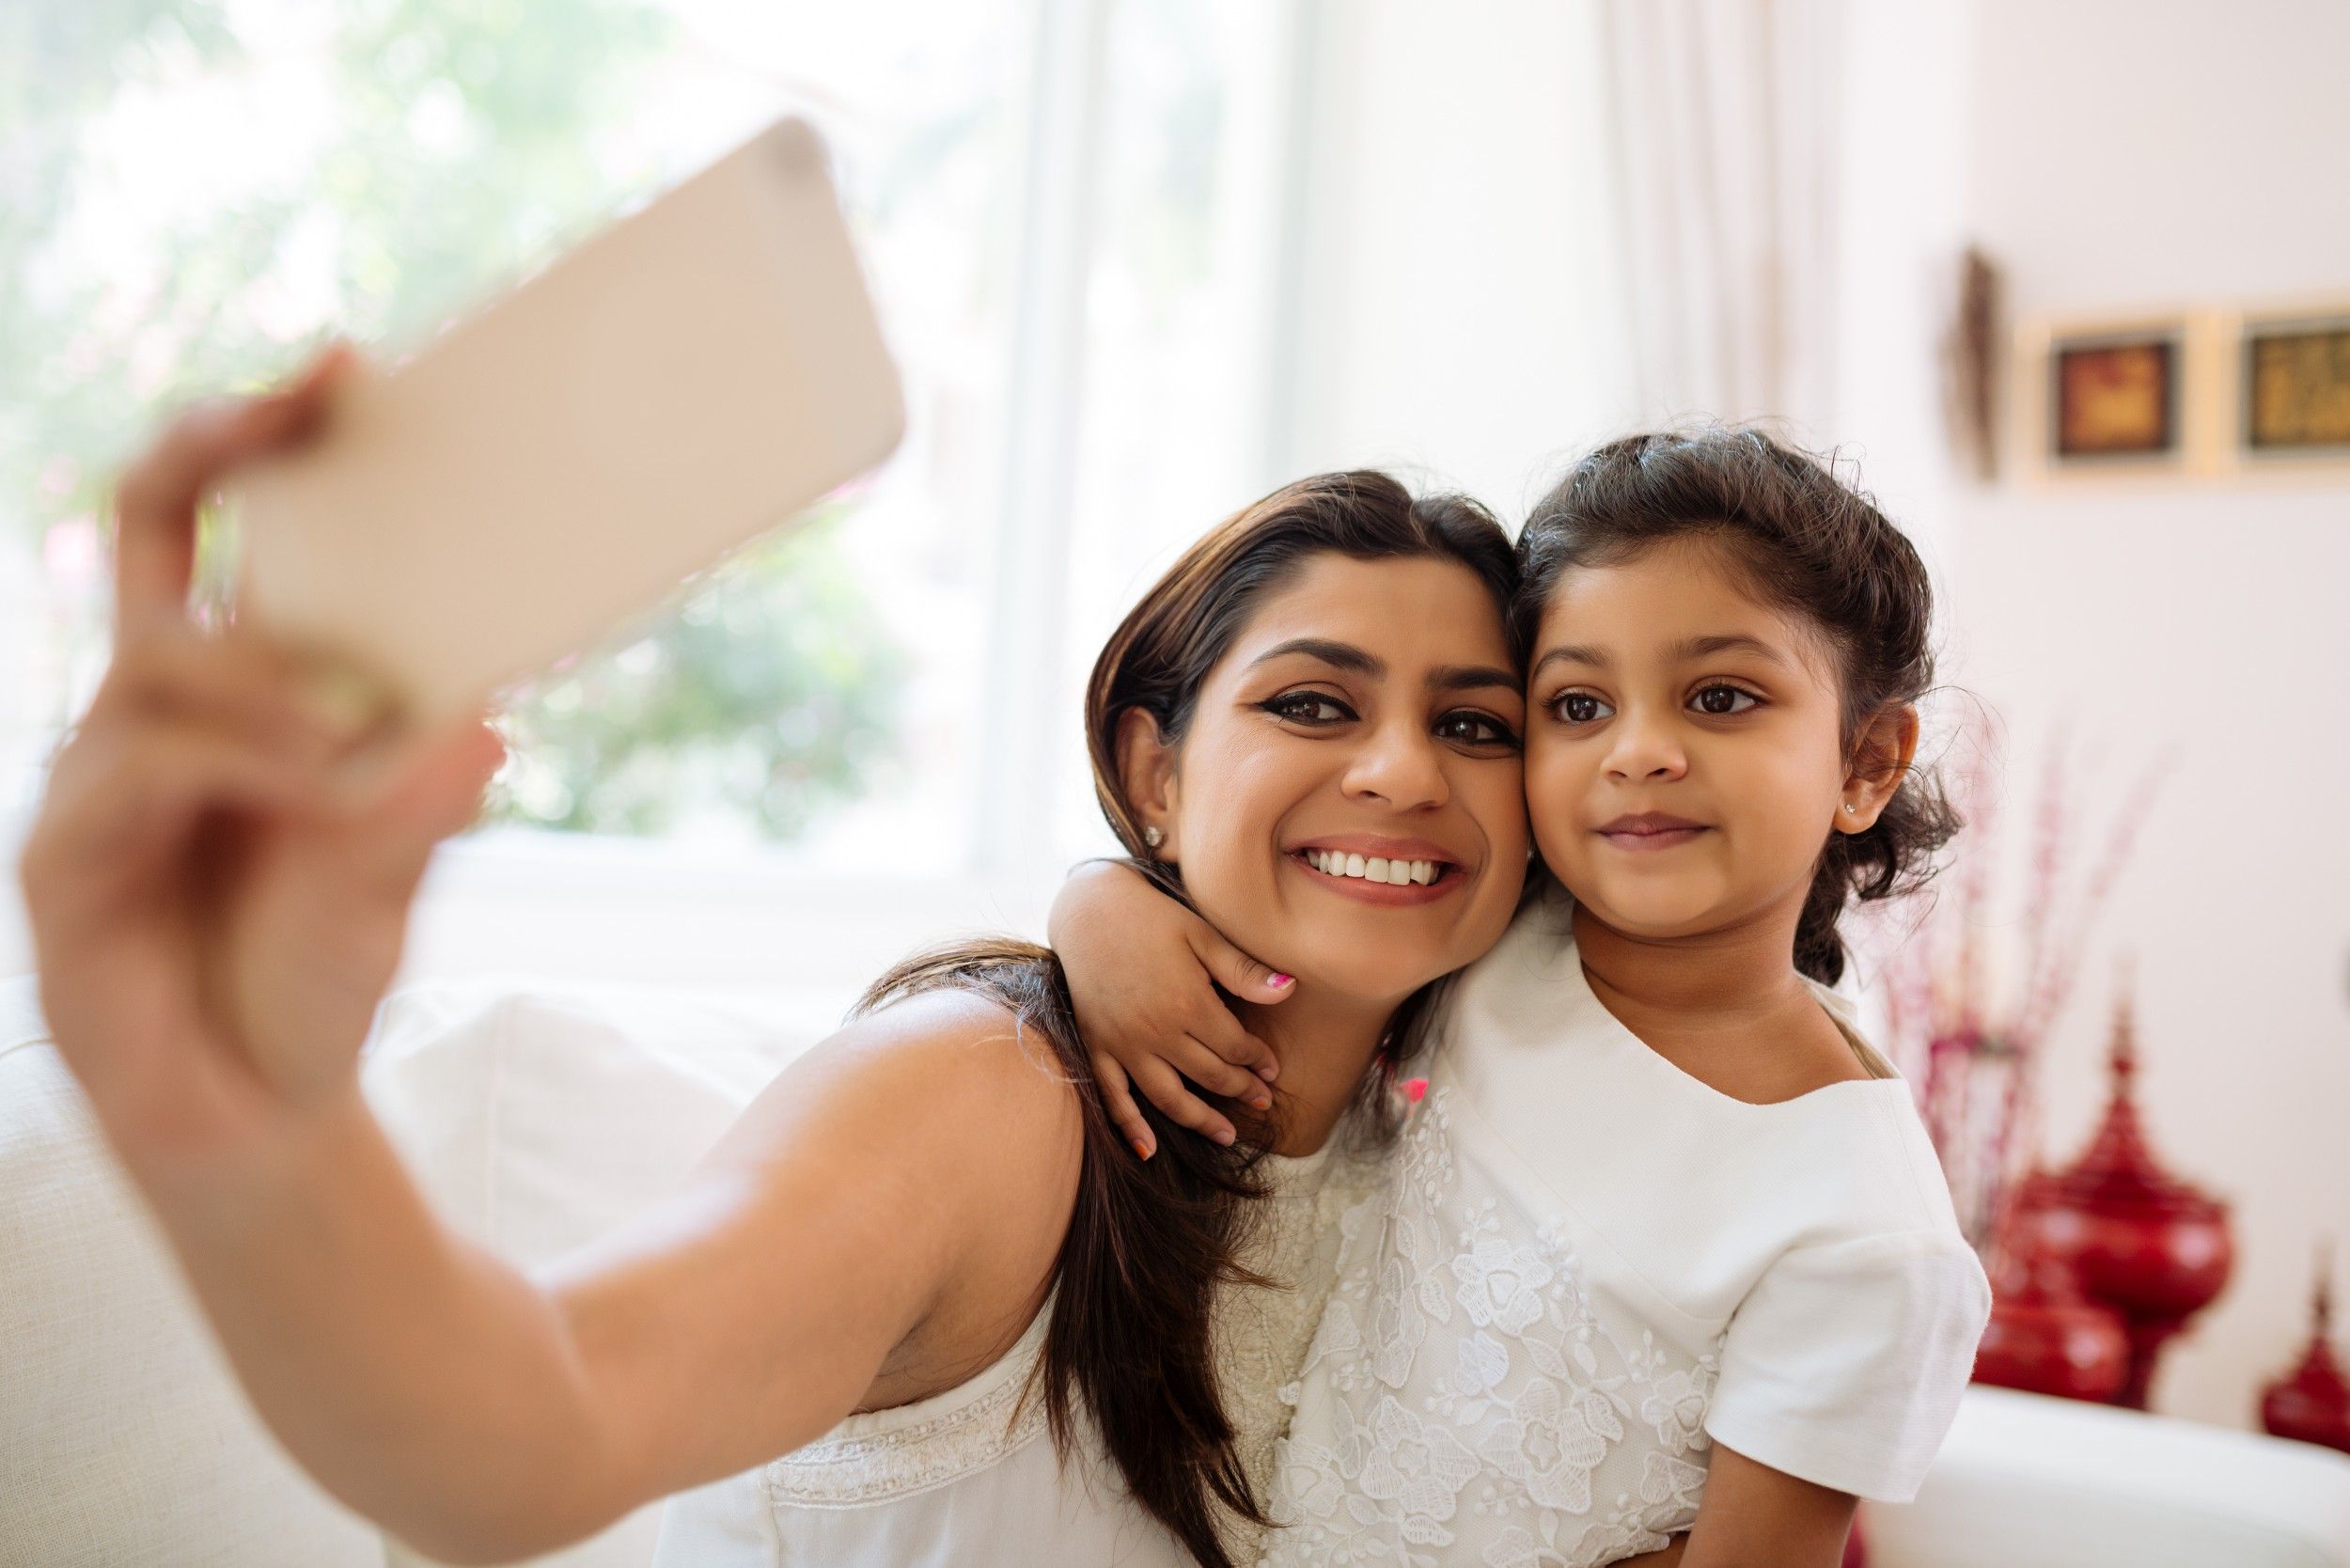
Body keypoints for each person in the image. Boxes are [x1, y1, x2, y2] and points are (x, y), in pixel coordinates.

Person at [15, 344, 1534, 1567]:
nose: (1405, 772)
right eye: (1314, 705)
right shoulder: (993, 1093)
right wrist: (254, 1122)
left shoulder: (1481, 1127)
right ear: (1153, 774)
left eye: (1476, 723)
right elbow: (537, 1425)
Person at [1048, 429, 1994, 1565]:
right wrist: (1095, 902)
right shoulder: (1495, 940)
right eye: (1578, 707)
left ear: (1866, 762)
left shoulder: (1864, 1237)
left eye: (1722, 696)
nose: (1639, 750)